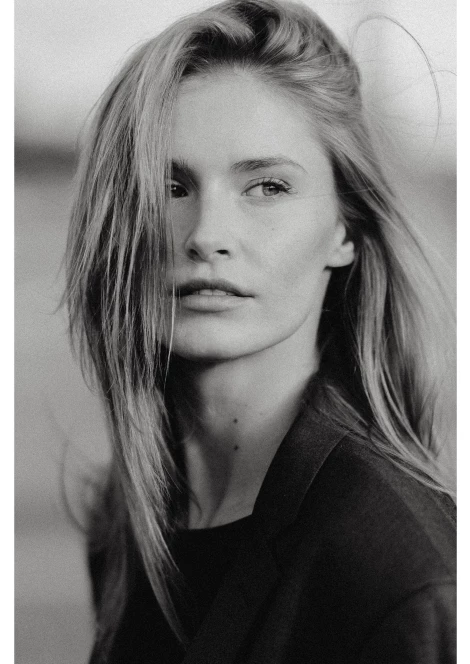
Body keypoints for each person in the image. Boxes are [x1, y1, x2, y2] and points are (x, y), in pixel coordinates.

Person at [64, 0, 456, 662]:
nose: (207, 235)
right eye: (169, 185)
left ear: (345, 228)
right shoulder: (129, 512)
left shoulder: (400, 577)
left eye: (267, 187)